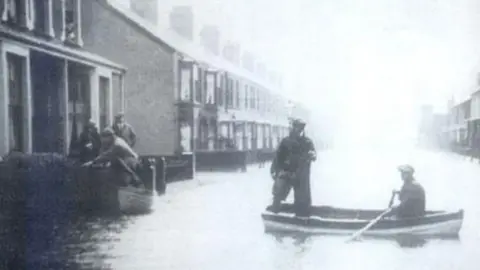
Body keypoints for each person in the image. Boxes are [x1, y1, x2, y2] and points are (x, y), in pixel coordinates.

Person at [269, 119, 316, 217]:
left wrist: (312, 155)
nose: (299, 130)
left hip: (301, 175)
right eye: (297, 127)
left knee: (302, 199)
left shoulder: (307, 142)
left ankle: (302, 216)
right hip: (286, 172)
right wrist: (274, 170)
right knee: (278, 194)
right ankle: (274, 215)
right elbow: (278, 157)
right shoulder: (286, 141)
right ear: (293, 128)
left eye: (301, 128)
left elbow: (313, 155)